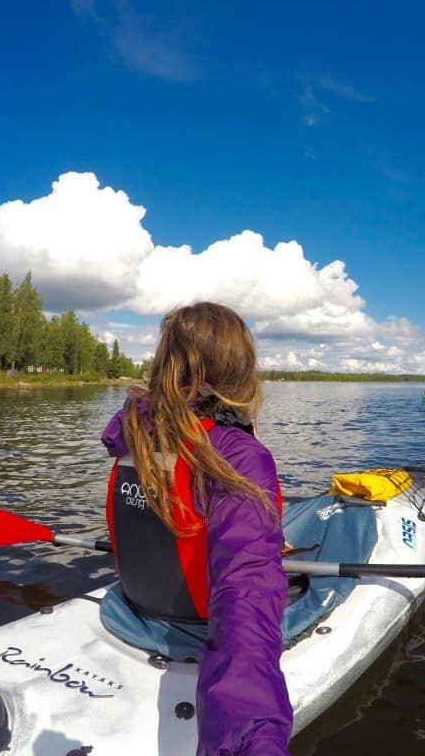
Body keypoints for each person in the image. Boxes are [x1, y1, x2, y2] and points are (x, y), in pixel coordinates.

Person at [100, 301, 292, 756]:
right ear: (241, 371)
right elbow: (245, 595)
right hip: (202, 619)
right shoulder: (237, 456)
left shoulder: (136, 434)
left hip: (137, 603)